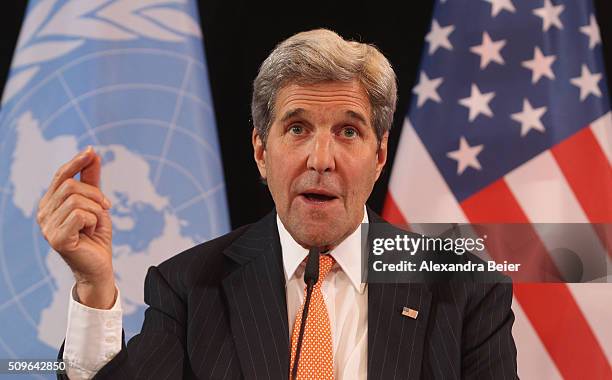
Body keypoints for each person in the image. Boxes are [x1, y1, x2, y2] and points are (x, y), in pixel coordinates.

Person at [37, 29, 517, 379]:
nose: (321, 159)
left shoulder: (462, 288)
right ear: (262, 152)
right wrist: (95, 286)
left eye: (348, 131)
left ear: (380, 155)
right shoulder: (190, 287)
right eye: (297, 128)